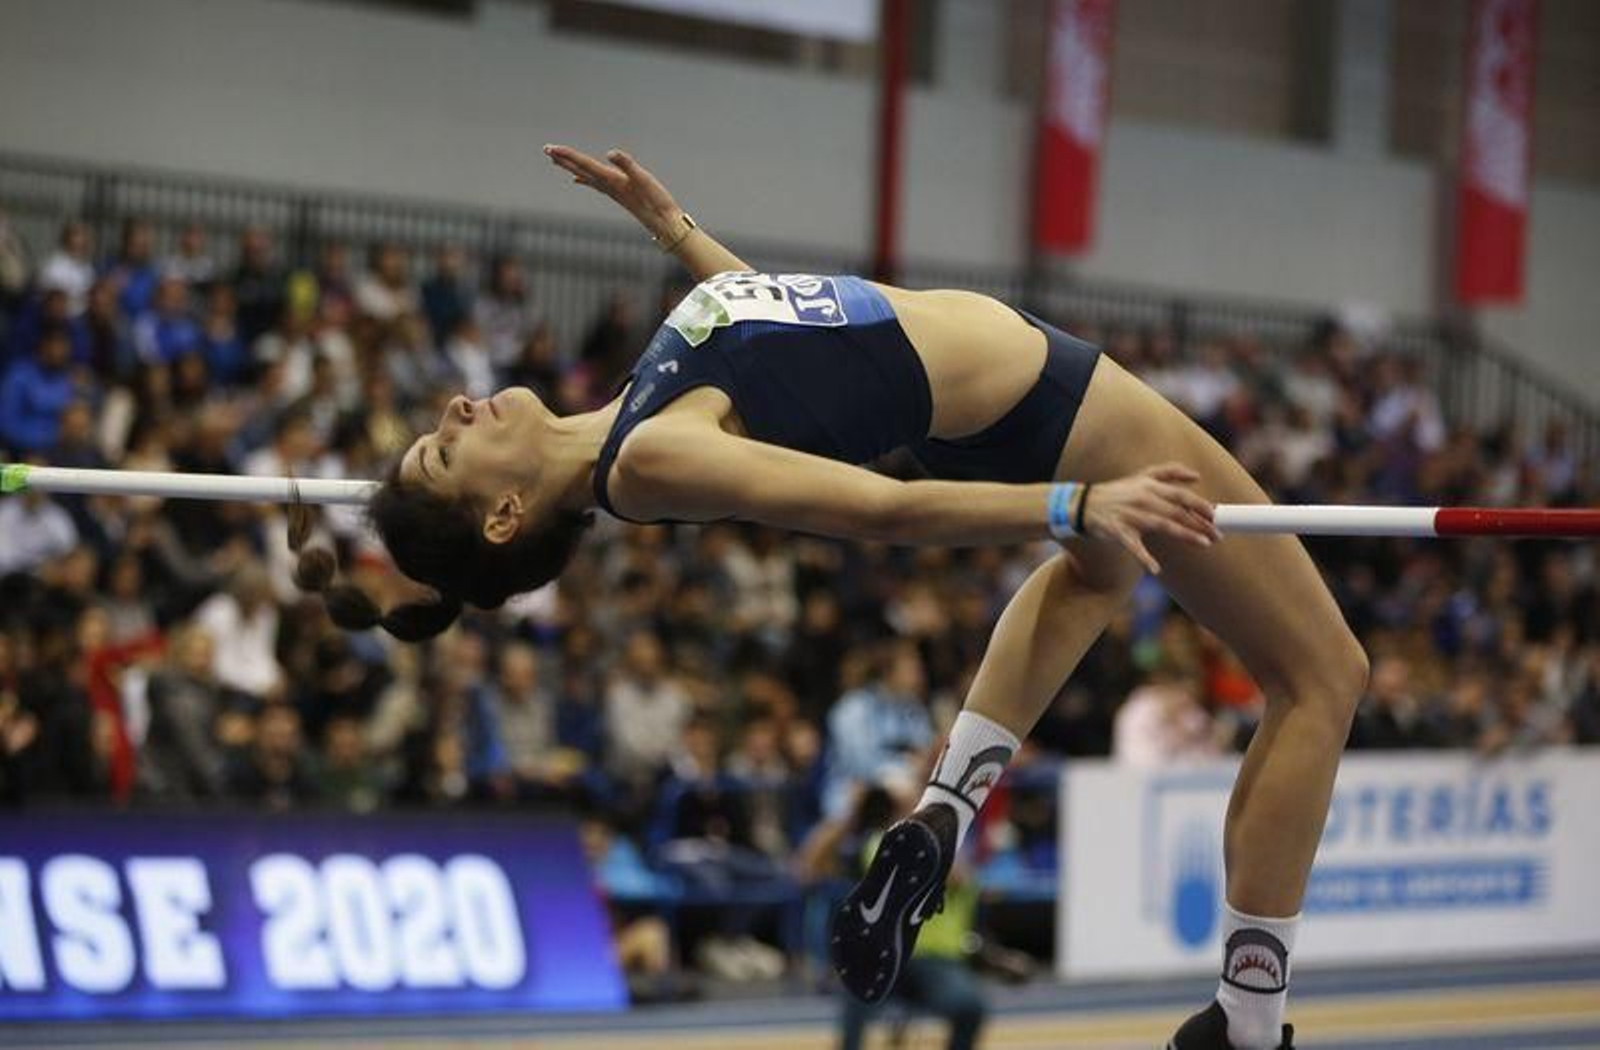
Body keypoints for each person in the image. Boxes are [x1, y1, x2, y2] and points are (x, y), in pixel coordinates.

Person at [291, 145, 1367, 1050]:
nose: (454, 407)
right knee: (1321, 677)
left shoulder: (629, 416)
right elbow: (879, 510)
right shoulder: (651, 456)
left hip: (1030, 403)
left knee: (1097, 582)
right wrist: (1073, 499)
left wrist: (675, 229)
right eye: (444, 450)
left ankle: (943, 814)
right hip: (1062, 411)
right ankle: (1248, 1015)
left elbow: (799, 342)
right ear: (501, 518)